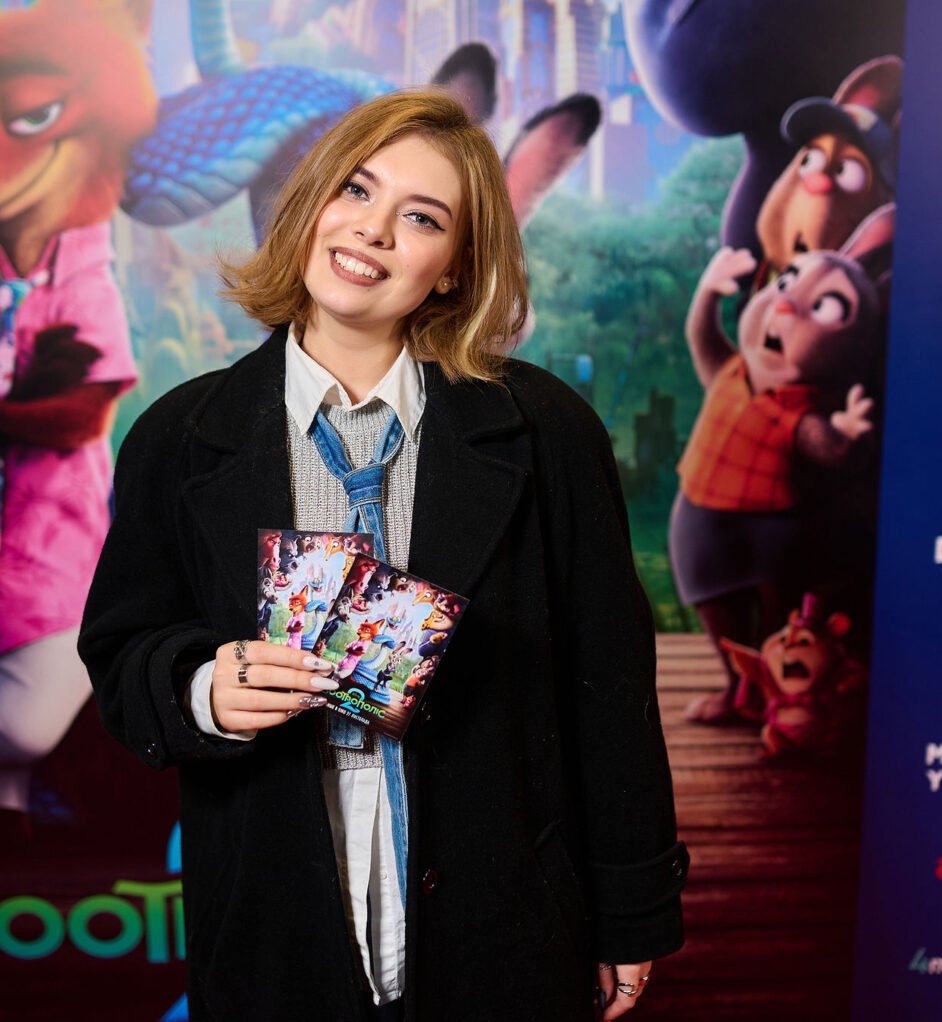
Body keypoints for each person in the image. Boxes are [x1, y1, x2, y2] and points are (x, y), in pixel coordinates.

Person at [78, 89, 687, 1021]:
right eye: (356, 190)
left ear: (453, 269)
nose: (373, 229)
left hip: (506, 910)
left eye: (422, 217)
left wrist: (631, 910)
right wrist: (205, 689)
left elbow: (610, 686)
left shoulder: (547, 429)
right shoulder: (178, 435)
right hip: (271, 911)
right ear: (310, 204)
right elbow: (123, 654)